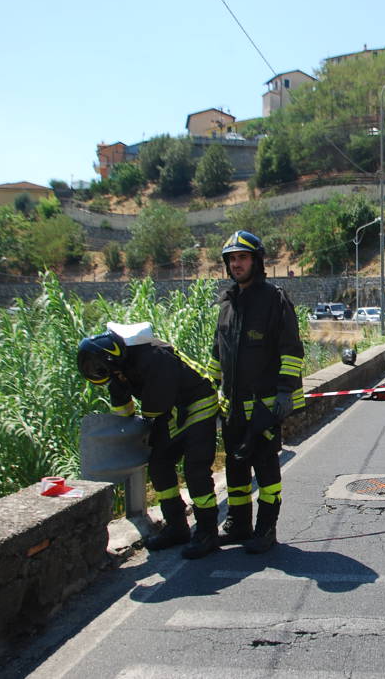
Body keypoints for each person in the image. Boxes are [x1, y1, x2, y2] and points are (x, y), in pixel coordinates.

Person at [77, 328, 220, 559]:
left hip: (198, 404)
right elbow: (123, 412)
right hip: (172, 413)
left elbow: (157, 404)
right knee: (159, 465)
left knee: (196, 470)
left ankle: (207, 532)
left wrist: (147, 422)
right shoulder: (118, 369)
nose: (106, 373)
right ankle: (177, 527)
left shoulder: (152, 357)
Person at [209, 230, 305, 554]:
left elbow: (292, 352)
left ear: (257, 261)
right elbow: (216, 353)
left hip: (263, 408)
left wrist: (284, 394)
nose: (237, 264)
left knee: (265, 471)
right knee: (235, 470)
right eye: (232, 259)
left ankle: (266, 528)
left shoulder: (274, 301)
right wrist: (210, 390)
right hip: (232, 409)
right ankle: (238, 524)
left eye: (243, 257)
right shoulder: (227, 304)